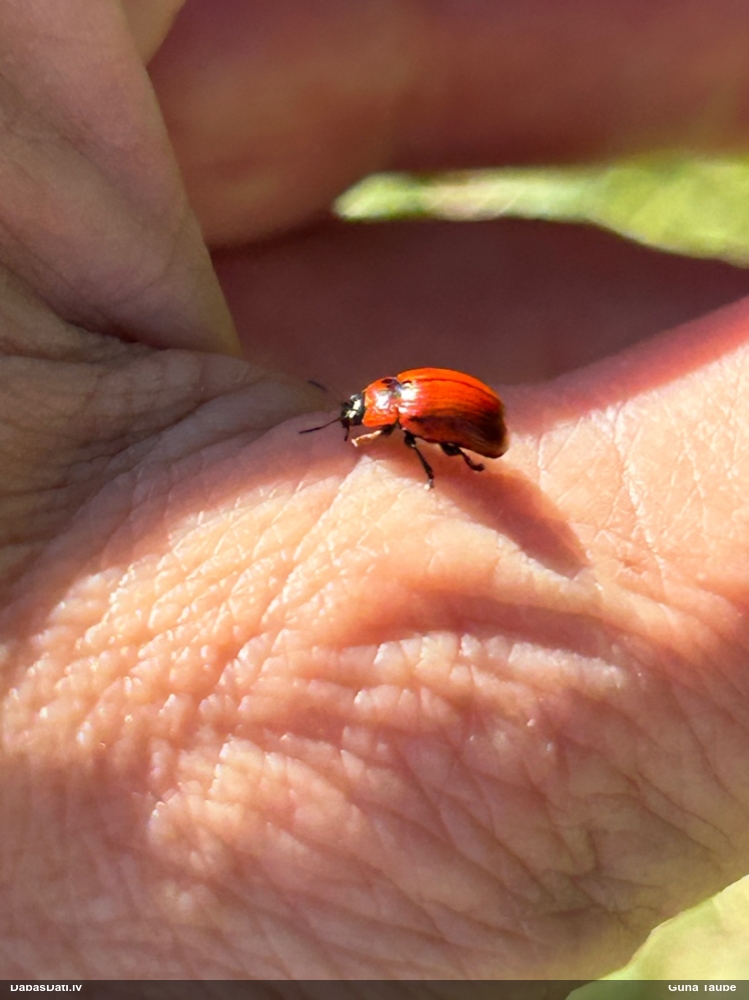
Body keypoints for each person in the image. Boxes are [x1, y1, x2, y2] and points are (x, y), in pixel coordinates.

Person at [2, 0, 749, 981]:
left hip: (461, 413)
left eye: (361, 427)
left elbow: (448, 424)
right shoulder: (386, 404)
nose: (358, 435)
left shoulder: (402, 412)